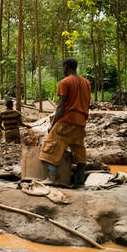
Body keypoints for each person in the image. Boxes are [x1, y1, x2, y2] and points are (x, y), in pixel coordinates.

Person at [39, 58, 91, 187]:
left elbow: (61, 106)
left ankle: (51, 179)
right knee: (80, 152)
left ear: (66, 67)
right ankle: (79, 182)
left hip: (66, 121)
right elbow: (87, 103)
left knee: (50, 148)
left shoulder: (65, 82)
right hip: (80, 123)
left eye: (63, 67)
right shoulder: (86, 83)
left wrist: (52, 125)